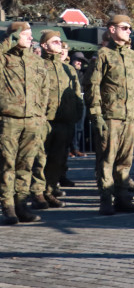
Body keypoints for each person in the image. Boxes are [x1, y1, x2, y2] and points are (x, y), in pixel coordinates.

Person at [87, 15, 134, 215]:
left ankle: (122, 198)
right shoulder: (103, 54)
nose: (129, 31)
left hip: (130, 115)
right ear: (112, 30)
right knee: (107, 159)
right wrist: (96, 114)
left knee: (125, 161)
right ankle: (105, 199)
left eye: (130, 28)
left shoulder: (133, 56)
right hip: (111, 115)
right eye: (125, 28)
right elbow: (93, 85)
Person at [0, 22, 52, 224]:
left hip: (32, 120)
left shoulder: (36, 61)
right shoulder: (4, 58)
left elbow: (44, 90)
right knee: (7, 165)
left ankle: (21, 205)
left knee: (26, 165)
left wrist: (41, 117)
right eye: (26, 34)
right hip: (8, 119)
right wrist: (9, 40)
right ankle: (8, 206)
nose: (31, 38)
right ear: (14, 36)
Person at [38, 31, 83, 208]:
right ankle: (37, 193)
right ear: (44, 45)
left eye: (59, 41)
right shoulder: (38, 66)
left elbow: (76, 93)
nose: (59, 43)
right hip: (45, 121)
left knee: (57, 161)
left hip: (65, 121)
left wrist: (76, 114)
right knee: (39, 161)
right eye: (54, 41)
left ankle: (49, 191)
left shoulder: (68, 69)